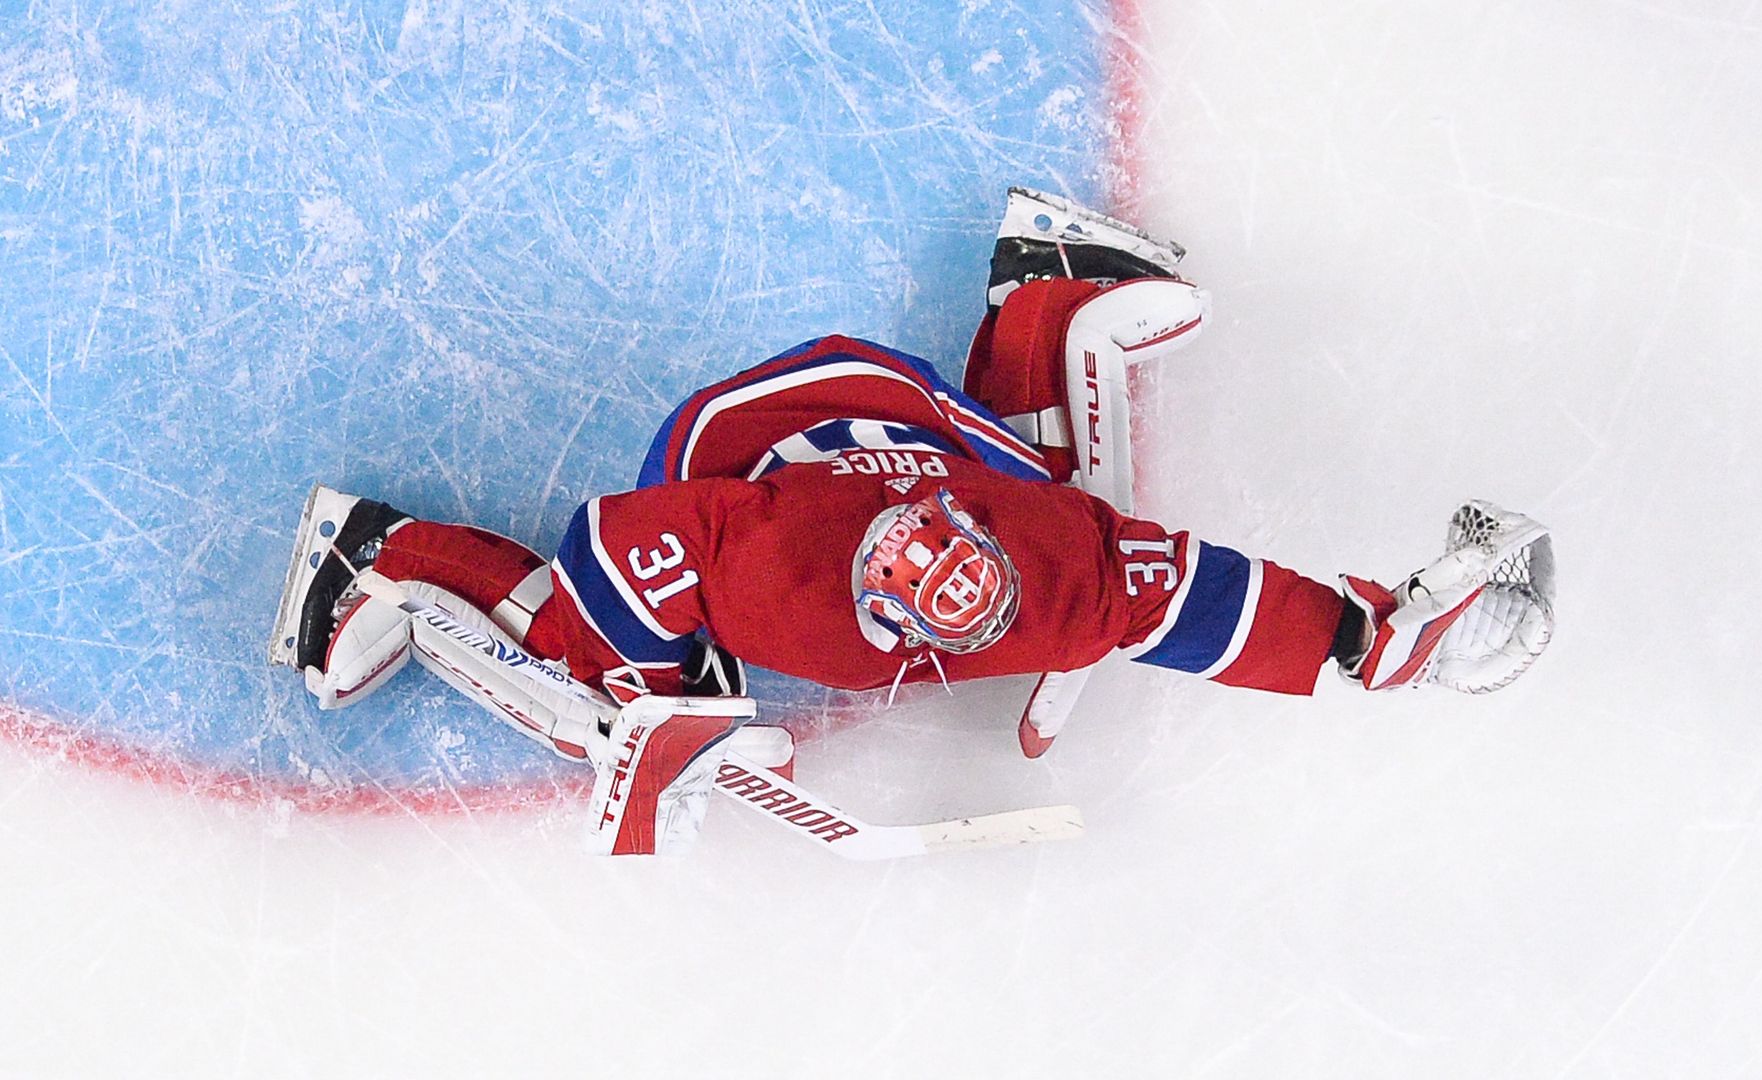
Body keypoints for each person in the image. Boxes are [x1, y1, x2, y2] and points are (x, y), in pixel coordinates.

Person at [267, 188, 1556, 854]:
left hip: (900, 432)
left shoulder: (1079, 574)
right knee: (592, 669)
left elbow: (1194, 598)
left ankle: (1051, 299)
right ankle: (375, 556)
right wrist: (650, 710)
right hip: (752, 445)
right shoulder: (768, 571)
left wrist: (1359, 637)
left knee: (1055, 508)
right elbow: (616, 540)